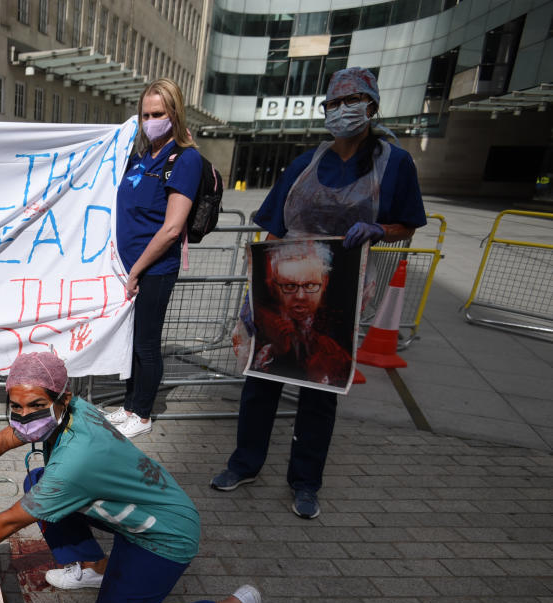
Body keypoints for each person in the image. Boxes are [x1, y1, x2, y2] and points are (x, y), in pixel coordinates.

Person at [0, 352, 262, 603]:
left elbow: (8, 523)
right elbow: (8, 436)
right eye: (15, 406)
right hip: (136, 511)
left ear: (63, 398)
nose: (23, 417)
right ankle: (98, 566)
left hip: (164, 537)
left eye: (34, 407)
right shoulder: (71, 409)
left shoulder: (75, 462)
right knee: (37, 482)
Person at [210, 67, 426, 519]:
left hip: (340, 294)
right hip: (283, 287)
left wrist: (379, 229)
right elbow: (273, 227)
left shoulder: (394, 163)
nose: (342, 111)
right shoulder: (305, 162)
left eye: (353, 101)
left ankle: (305, 482)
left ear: (371, 107)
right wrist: (253, 300)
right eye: (334, 103)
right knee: (262, 380)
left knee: (320, 389)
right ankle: (244, 464)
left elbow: (407, 222)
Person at [109, 78, 203, 439]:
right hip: (128, 268)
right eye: (145, 114)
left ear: (174, 114)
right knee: (131, 340)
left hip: (153, 270)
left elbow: (171, 228)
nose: (151, 121)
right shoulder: (140, 157)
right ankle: (130, 403)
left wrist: (137, 269)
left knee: (147, 342)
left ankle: (143, 413)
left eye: (158, 114)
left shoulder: (185, 159)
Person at [251, 240, 353, 387]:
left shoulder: (338, 330)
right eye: (290, 286)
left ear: (324, 283)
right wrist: (276, 352)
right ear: (273, 287)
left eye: (310, 285)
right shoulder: (264, 321)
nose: (300, 296)